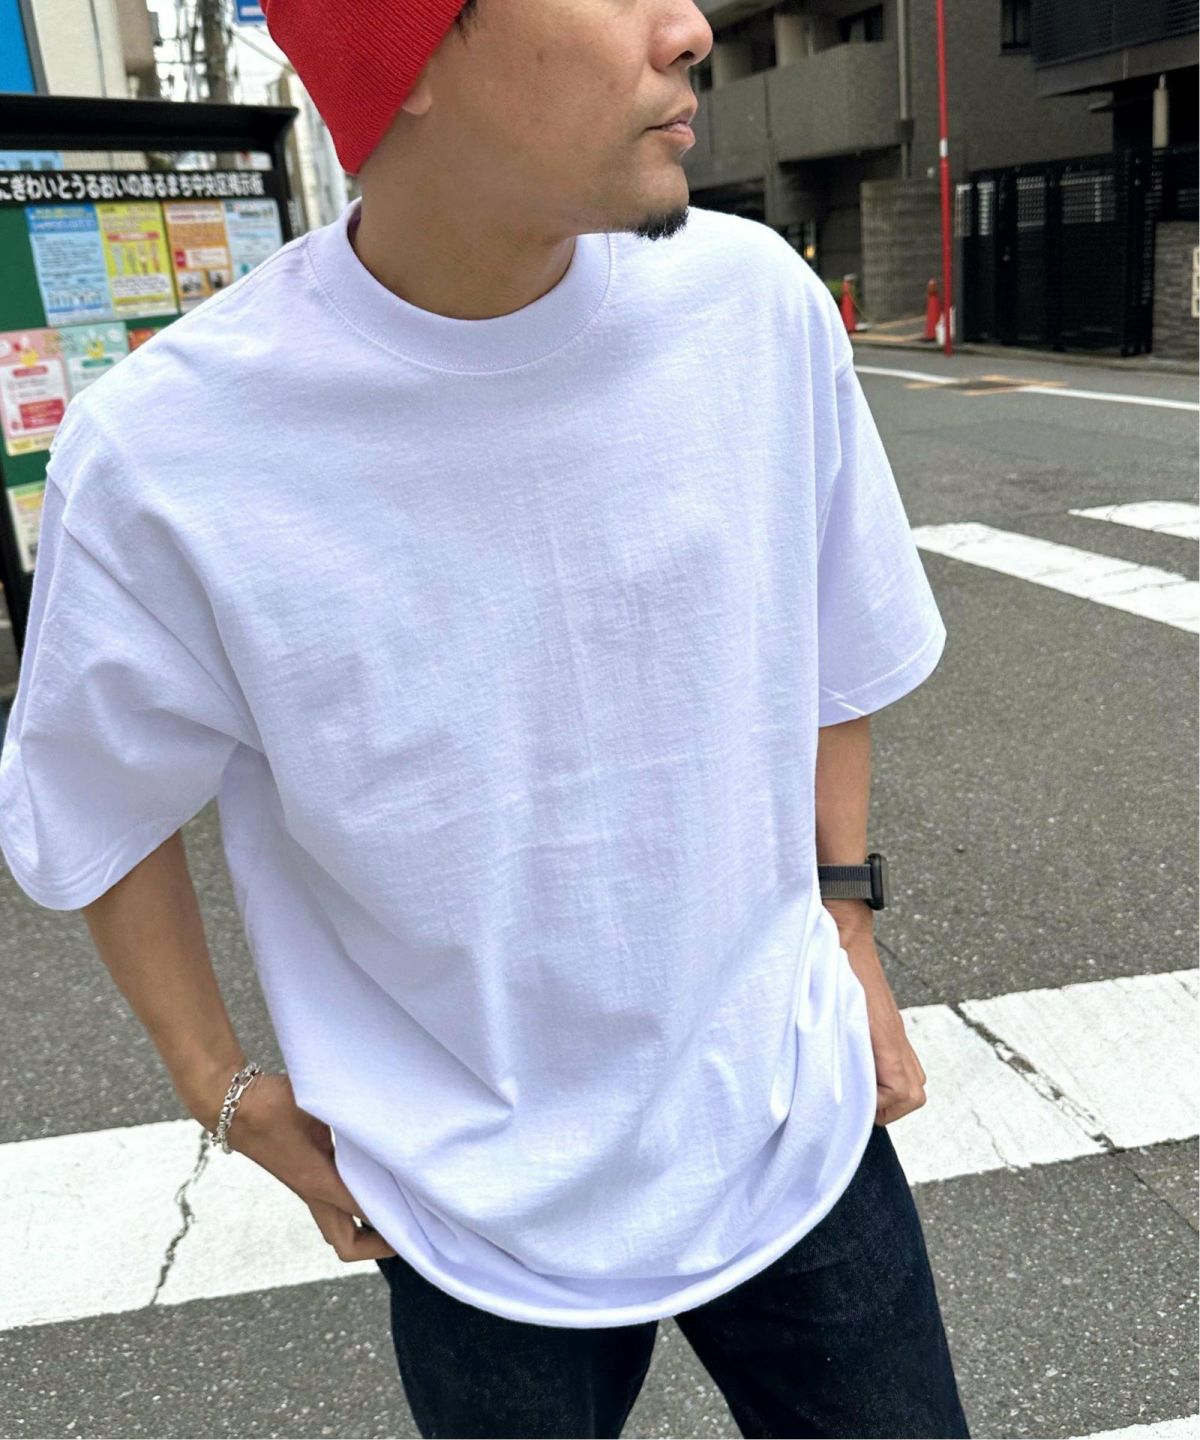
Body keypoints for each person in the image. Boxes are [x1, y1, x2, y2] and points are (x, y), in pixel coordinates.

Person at [0, 0, 971, 1435]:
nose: (690, 28)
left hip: (786, 1113)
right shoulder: (171, 450)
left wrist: (848, 923)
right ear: (408, 55)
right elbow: (92, 802)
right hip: (467, 1202)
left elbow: (835, 643)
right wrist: (223, 1087)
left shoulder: (753, 307)